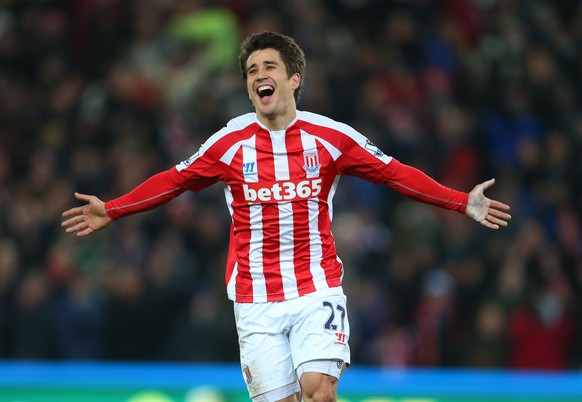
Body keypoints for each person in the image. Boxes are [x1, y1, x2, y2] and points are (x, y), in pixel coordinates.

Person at [62, 31, 511, 402]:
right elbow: (174, 179)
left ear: (294, 79)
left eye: (269, 67)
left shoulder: (331, 137)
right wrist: (114, 210)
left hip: (315, 288)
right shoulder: (229, 143)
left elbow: (393, 173)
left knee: (319, 393)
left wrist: (460, 200)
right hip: (254, 300)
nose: (260, 75)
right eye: (252, 71)